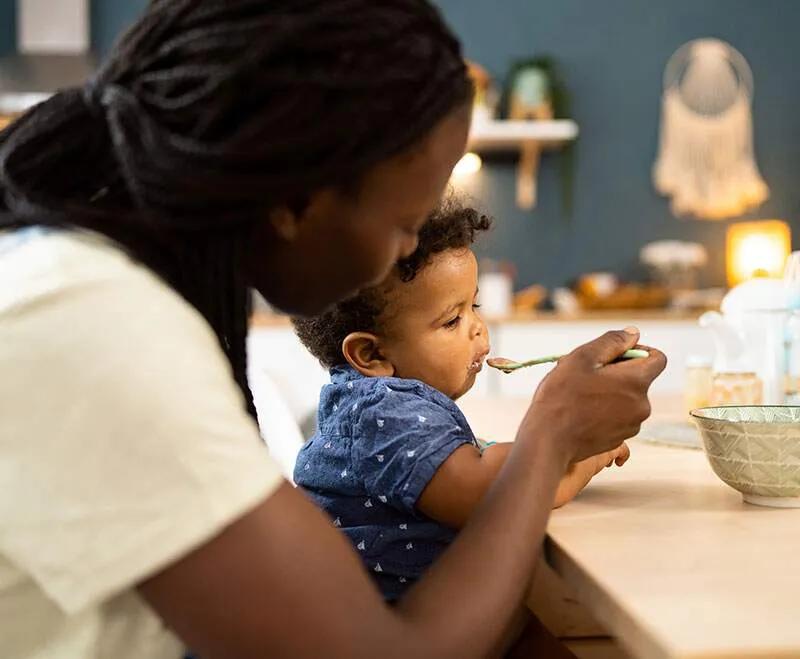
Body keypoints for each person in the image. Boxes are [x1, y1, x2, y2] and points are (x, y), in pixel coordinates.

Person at [0, 1, 666, 658]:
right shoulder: (88, 323)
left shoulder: (112, 287)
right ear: (298, 201)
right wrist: (550, 431)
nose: (402, 248)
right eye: (404, 226)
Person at [292, 197, 630, 601]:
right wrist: (585, 452)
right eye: (452, 320)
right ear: (372, 355)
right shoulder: (384, 410)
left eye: (475, 306)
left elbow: (484, 464)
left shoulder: (369, 400)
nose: (478, 329)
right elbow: (503, 494)